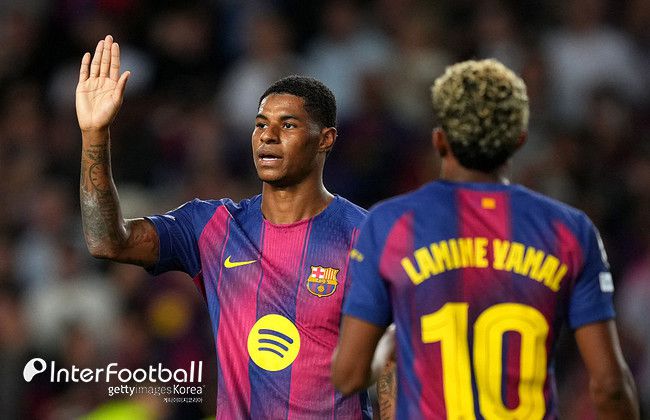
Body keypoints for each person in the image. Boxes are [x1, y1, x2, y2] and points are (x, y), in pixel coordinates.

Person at [76, 35, 373, 419]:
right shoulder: (211, 227)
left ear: (325, 139)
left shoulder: (364, 236)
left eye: (287, 125)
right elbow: (106, 241)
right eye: (260, 124)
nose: (268, 135)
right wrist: (94, 134)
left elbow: (392, 359)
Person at [331, 58, 639, 419]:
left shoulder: (390, 224)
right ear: (518, 141)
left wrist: (387, 344)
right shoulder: (570, 230)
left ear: (439, 139)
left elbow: (349, 376)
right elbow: (609, 386)